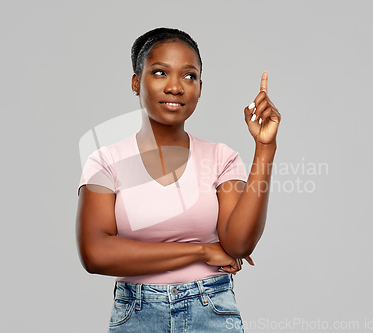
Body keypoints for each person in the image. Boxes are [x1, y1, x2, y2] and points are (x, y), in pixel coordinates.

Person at [76, 27, 281, 332]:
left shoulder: (221, 158)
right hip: (138, 314)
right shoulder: (105, 162)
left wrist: (265, 147)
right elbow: (95, 254)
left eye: (189, 76)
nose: (176, 87)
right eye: (160, 73)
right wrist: (200, 250)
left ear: (200, 88)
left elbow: (238, 244)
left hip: (211, 309)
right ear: (136, 82)